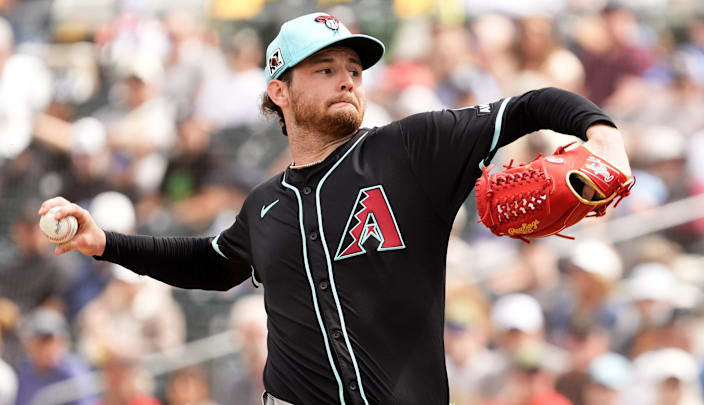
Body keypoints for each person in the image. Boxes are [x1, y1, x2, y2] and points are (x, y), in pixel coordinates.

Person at [38, 12, 631, 405]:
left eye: (353, 69)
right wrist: (106, 243)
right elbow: (210, 263)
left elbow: (528, 106)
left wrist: (601, 133)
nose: (347, 79)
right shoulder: (266, 204)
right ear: (280, 91)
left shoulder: (409, 149)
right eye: (324, 69)